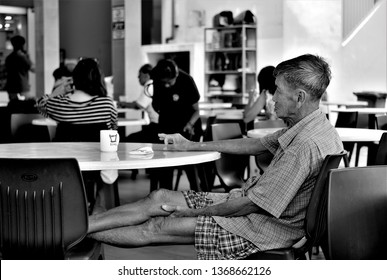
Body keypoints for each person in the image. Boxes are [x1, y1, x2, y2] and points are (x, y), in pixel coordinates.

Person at [87, 54, 344, 260]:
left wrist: (188, 213)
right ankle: (83, 226)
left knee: (158, 225)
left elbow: (249, 206)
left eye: (277, 91)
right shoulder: (313, 126)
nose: (273, 98)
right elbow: (254, 146)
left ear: (299, 98)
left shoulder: (304, 146)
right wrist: (190, 146)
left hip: (262, 228)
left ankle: (76, 234)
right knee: (159, 197)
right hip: (252, 209)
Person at [36, 57, 118, 211]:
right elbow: (113, 132)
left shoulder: (60, 104)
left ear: (74, 79)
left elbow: (40, 105)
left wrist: (58, 90)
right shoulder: (106, 104)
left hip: (65, 166)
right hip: (97, 167)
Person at [149, 59, 203, 190]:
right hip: (167, 125)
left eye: (169, 82)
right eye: (164, 82)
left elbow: (197, 110)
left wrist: (190, 124)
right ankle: (165, 195)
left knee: (190, 164)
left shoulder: (187, 80)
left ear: (176, 75)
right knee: (166, 163)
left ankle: (197, 193)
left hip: (188, 126)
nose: (166, 85)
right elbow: (156, 105)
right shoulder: (158, 80)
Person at [119, 63, 159, 143]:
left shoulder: (149, 85)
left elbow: (139, 105)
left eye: (140, 75)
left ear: (147, 75)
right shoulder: (154, 84)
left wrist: (123, 103)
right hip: (157, 125)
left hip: (156, 126)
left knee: (127, 140)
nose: (138, 77)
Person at [5, 35, 34, 101]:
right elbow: (33, 69)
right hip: (22, 87)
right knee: (24, 107)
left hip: (11, 86)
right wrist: (28, 57)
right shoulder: (22, 57)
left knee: (14, 106)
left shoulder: (9, 58)